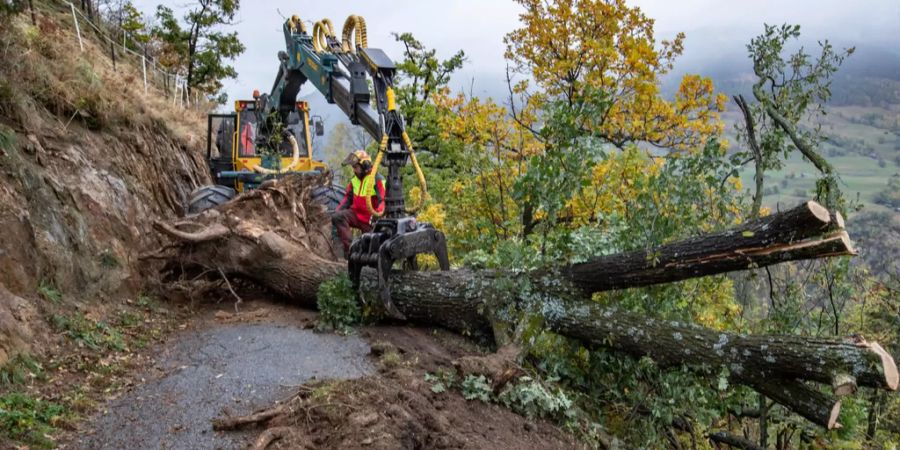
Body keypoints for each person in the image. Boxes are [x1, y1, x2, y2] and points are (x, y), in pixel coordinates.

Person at [332, 150, 385, 255]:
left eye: (356, 167)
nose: (354, 170)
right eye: (353, 168)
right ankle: (351, 250)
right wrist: (337, 211)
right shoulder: (354, 180)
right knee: (337, 217)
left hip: (370, 220)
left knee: (370, 251)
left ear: (365, 166)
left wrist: (377, 215)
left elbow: (383, 201)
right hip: (355, 215)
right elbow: (347, 199)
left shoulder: (377, 179)